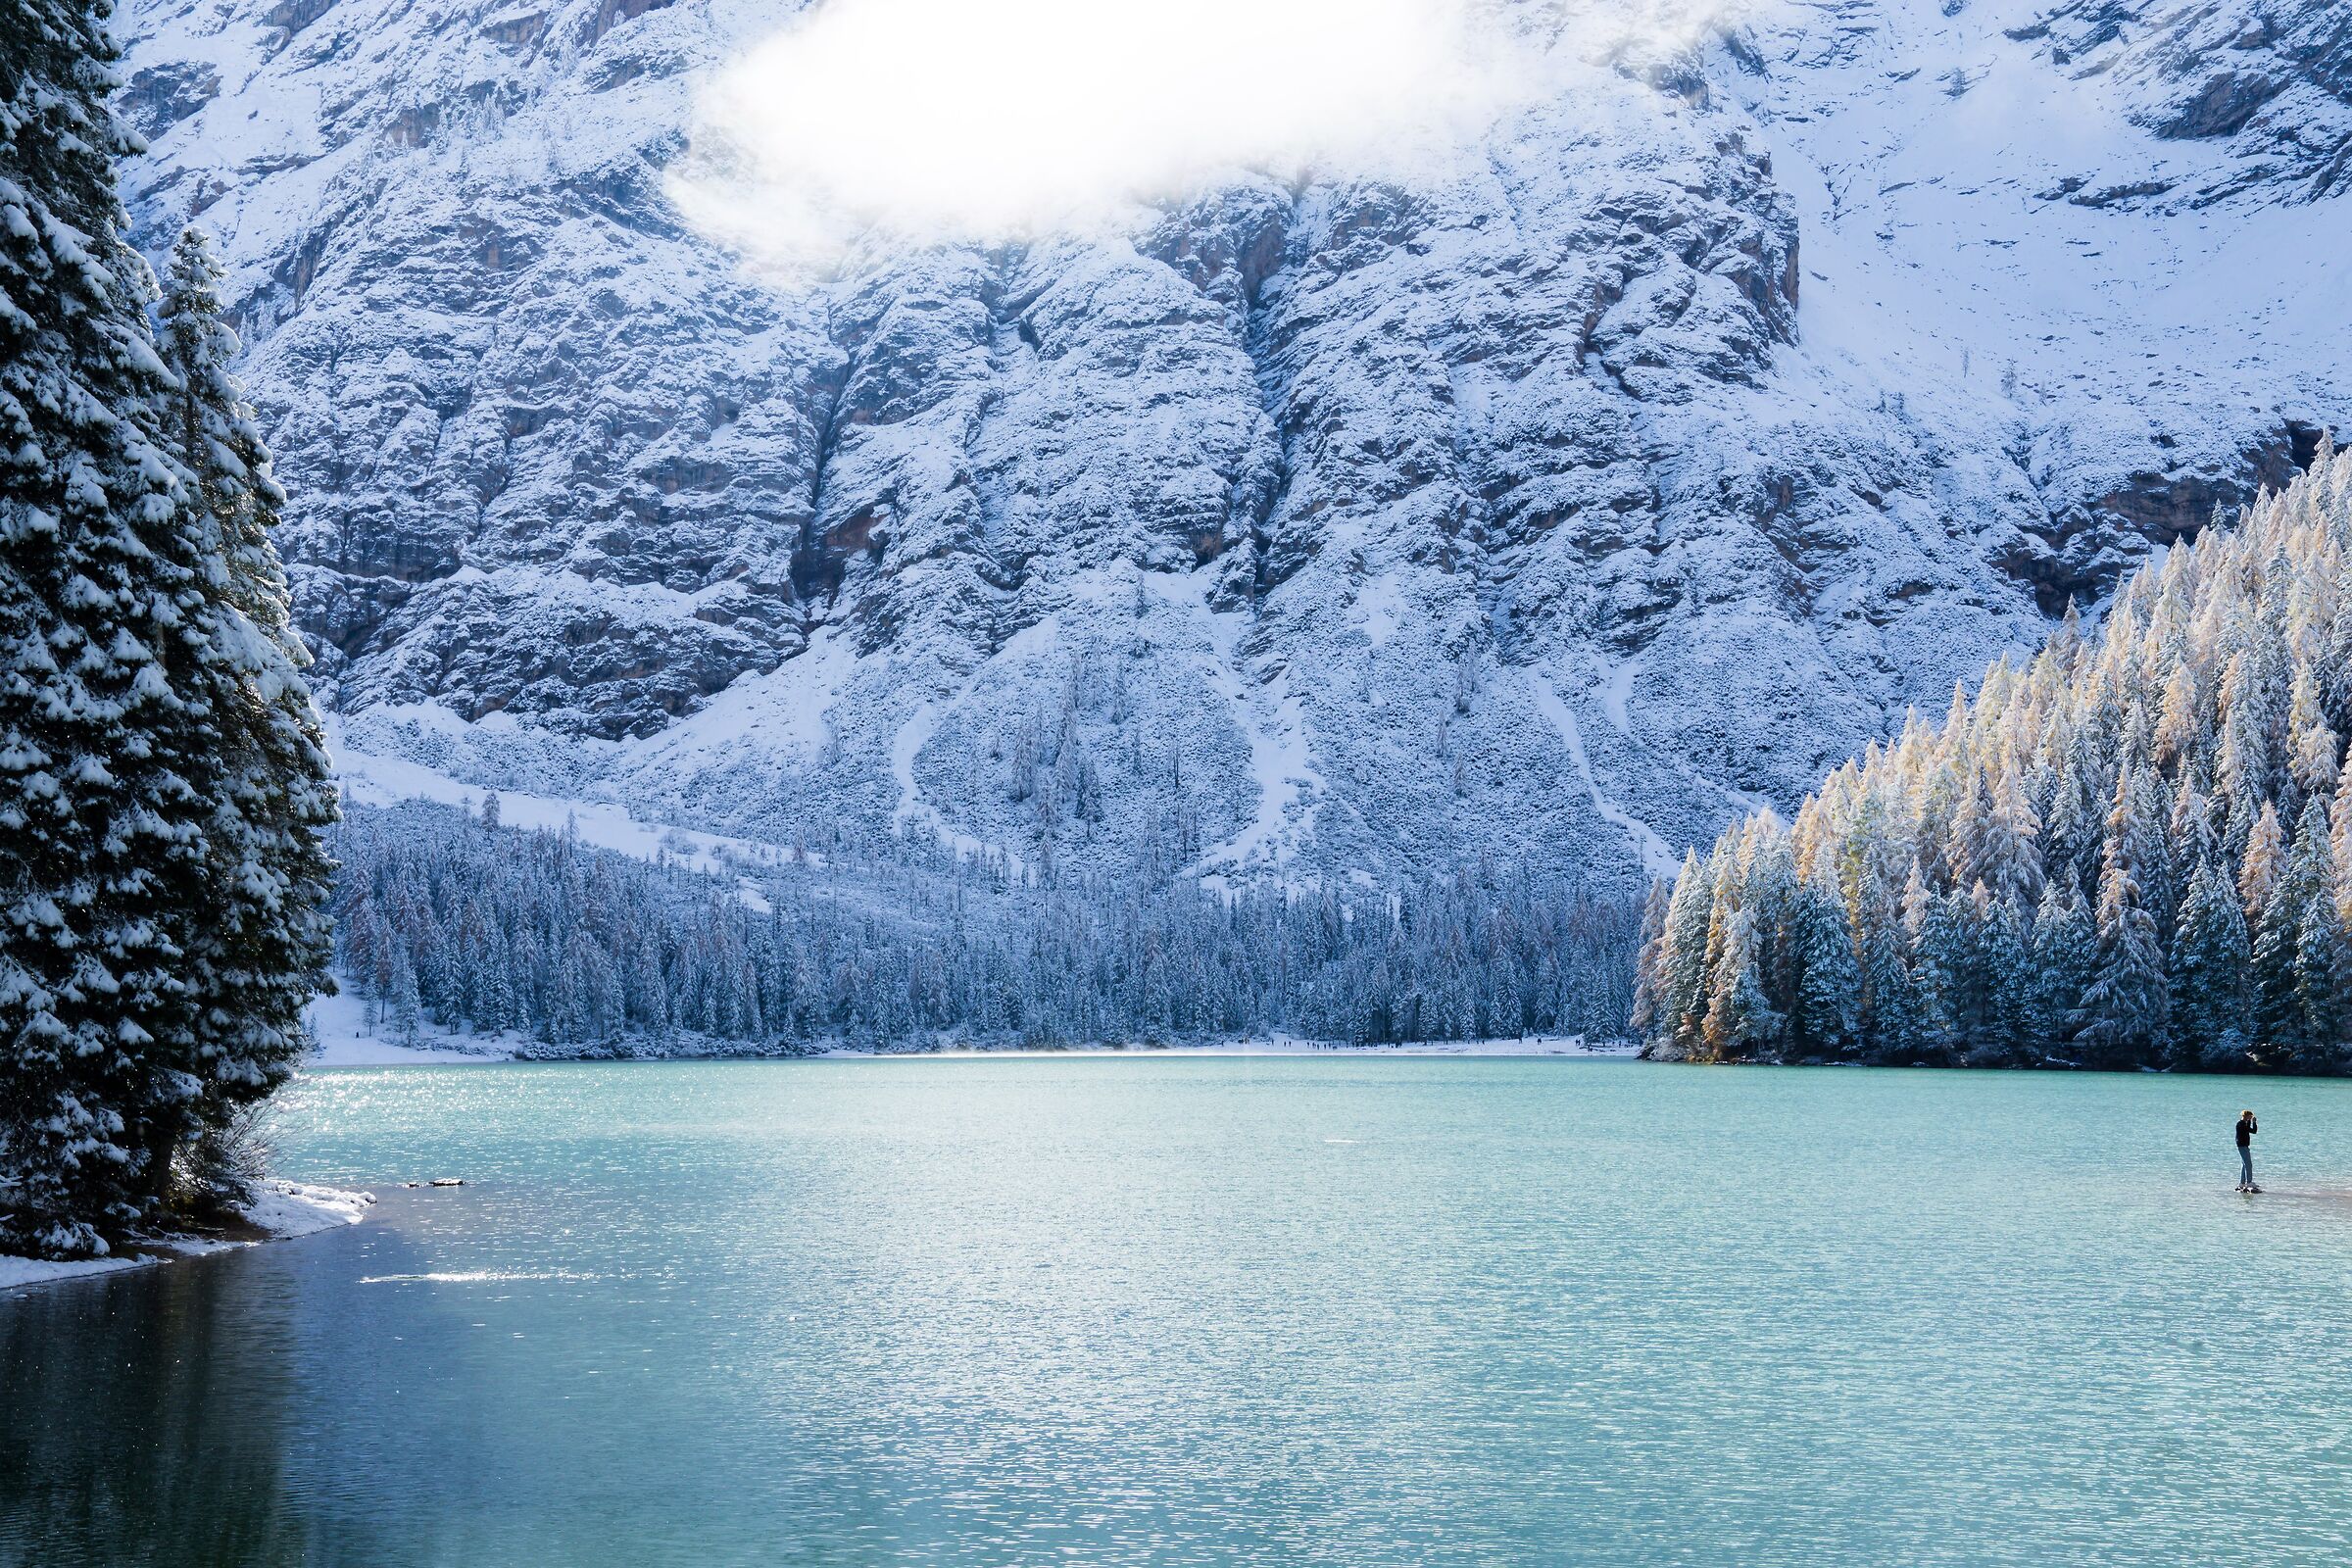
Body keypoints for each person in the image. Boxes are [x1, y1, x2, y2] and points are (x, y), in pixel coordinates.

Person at [2236, 1109, 2260, 1194]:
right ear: (2245, 1116)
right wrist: (2251, 1122)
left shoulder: (2244, 1124)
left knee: (2244, 1164)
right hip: (2242, 1146)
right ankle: (2249, 1182)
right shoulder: (2240, 1124)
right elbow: (2247, 1129)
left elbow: (2253, 1131)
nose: (2251, 1118)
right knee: (2248, 1164)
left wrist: (2253, 1123)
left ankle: (2242, 1183)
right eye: (2250, 1116)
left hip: (2245, 1146)